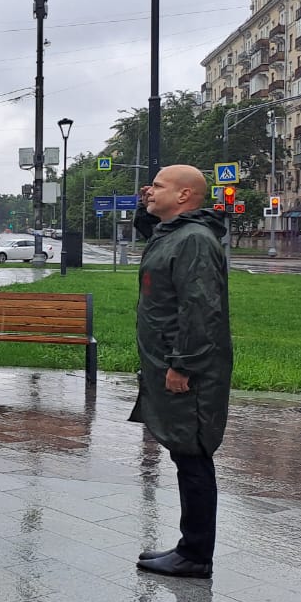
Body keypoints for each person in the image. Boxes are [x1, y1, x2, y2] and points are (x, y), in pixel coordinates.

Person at [130, 164, 232, 579]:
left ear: (185, 195)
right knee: (183, 451)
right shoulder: (176, 233)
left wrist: (183, 365)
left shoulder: (194, 240)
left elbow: (200, 309)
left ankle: (195, 554)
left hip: (188, 369)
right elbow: (151, 237)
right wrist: (144, 207)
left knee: (192, 455)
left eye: (157, 186)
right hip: (169, 364)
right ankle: (190, 547)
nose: (149, 191)